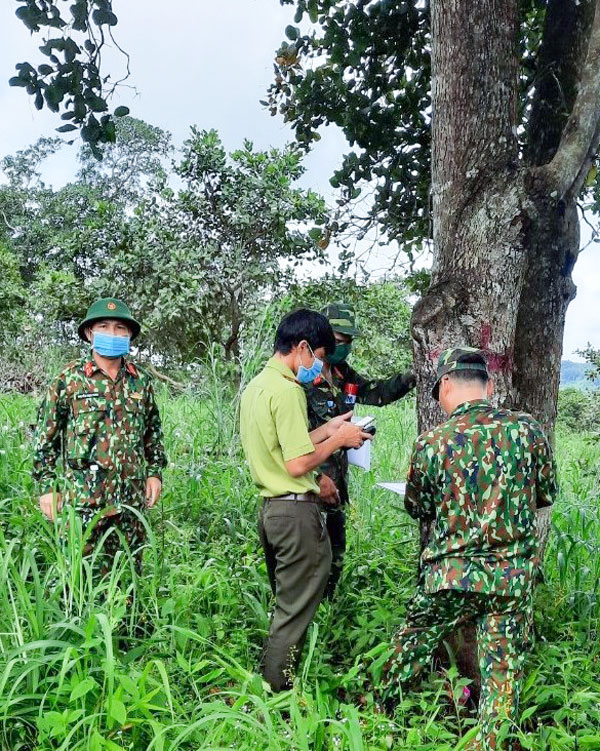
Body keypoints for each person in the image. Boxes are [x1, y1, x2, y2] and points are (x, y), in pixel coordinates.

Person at [381, 347, 557, 750]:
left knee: (410, 648)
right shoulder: (527, 431)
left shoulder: (431, 442)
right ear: (489, 386)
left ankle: (375, 717)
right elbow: (545, 495)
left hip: (450, 575)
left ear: (445, 385)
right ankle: (490, 742)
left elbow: (418, 507)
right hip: (509, 579)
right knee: (500, 680)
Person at [240, 308, 372, 691]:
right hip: (296, 511)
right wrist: (340, 440)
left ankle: (270, 680)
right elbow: (298, 463)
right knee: (294, 611)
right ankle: (276, 694)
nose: (317, 367)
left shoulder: (258, 387)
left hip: (272, 511)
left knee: (286, 605)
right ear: (301, 348)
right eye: (316, 355)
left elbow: (284, 446)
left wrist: (328, 428)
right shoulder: (288, 391)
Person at [33, 297, 167, 572]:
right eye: (104, 326)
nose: (113, 333)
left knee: (128, 578)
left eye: (120, 328)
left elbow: (152, 431)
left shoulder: (141, 381)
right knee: (82, 581)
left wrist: (154, 472)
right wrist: (47, 487)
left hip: (130, 502)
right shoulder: (68, 380)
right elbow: (45, 439)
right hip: (83, 505)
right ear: (89, 333)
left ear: (129, 334)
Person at [305, 302, 415, 597]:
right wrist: (316, 479)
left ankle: (326, 614)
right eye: (339, 341)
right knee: (308, 558)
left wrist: (411, 377)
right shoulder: (302, 378)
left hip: (338, 483)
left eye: (348, 342)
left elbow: (376, 393)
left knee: (335, 553)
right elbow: (290, 439)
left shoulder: (343, 374)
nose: (344, 348)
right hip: (309, 483)